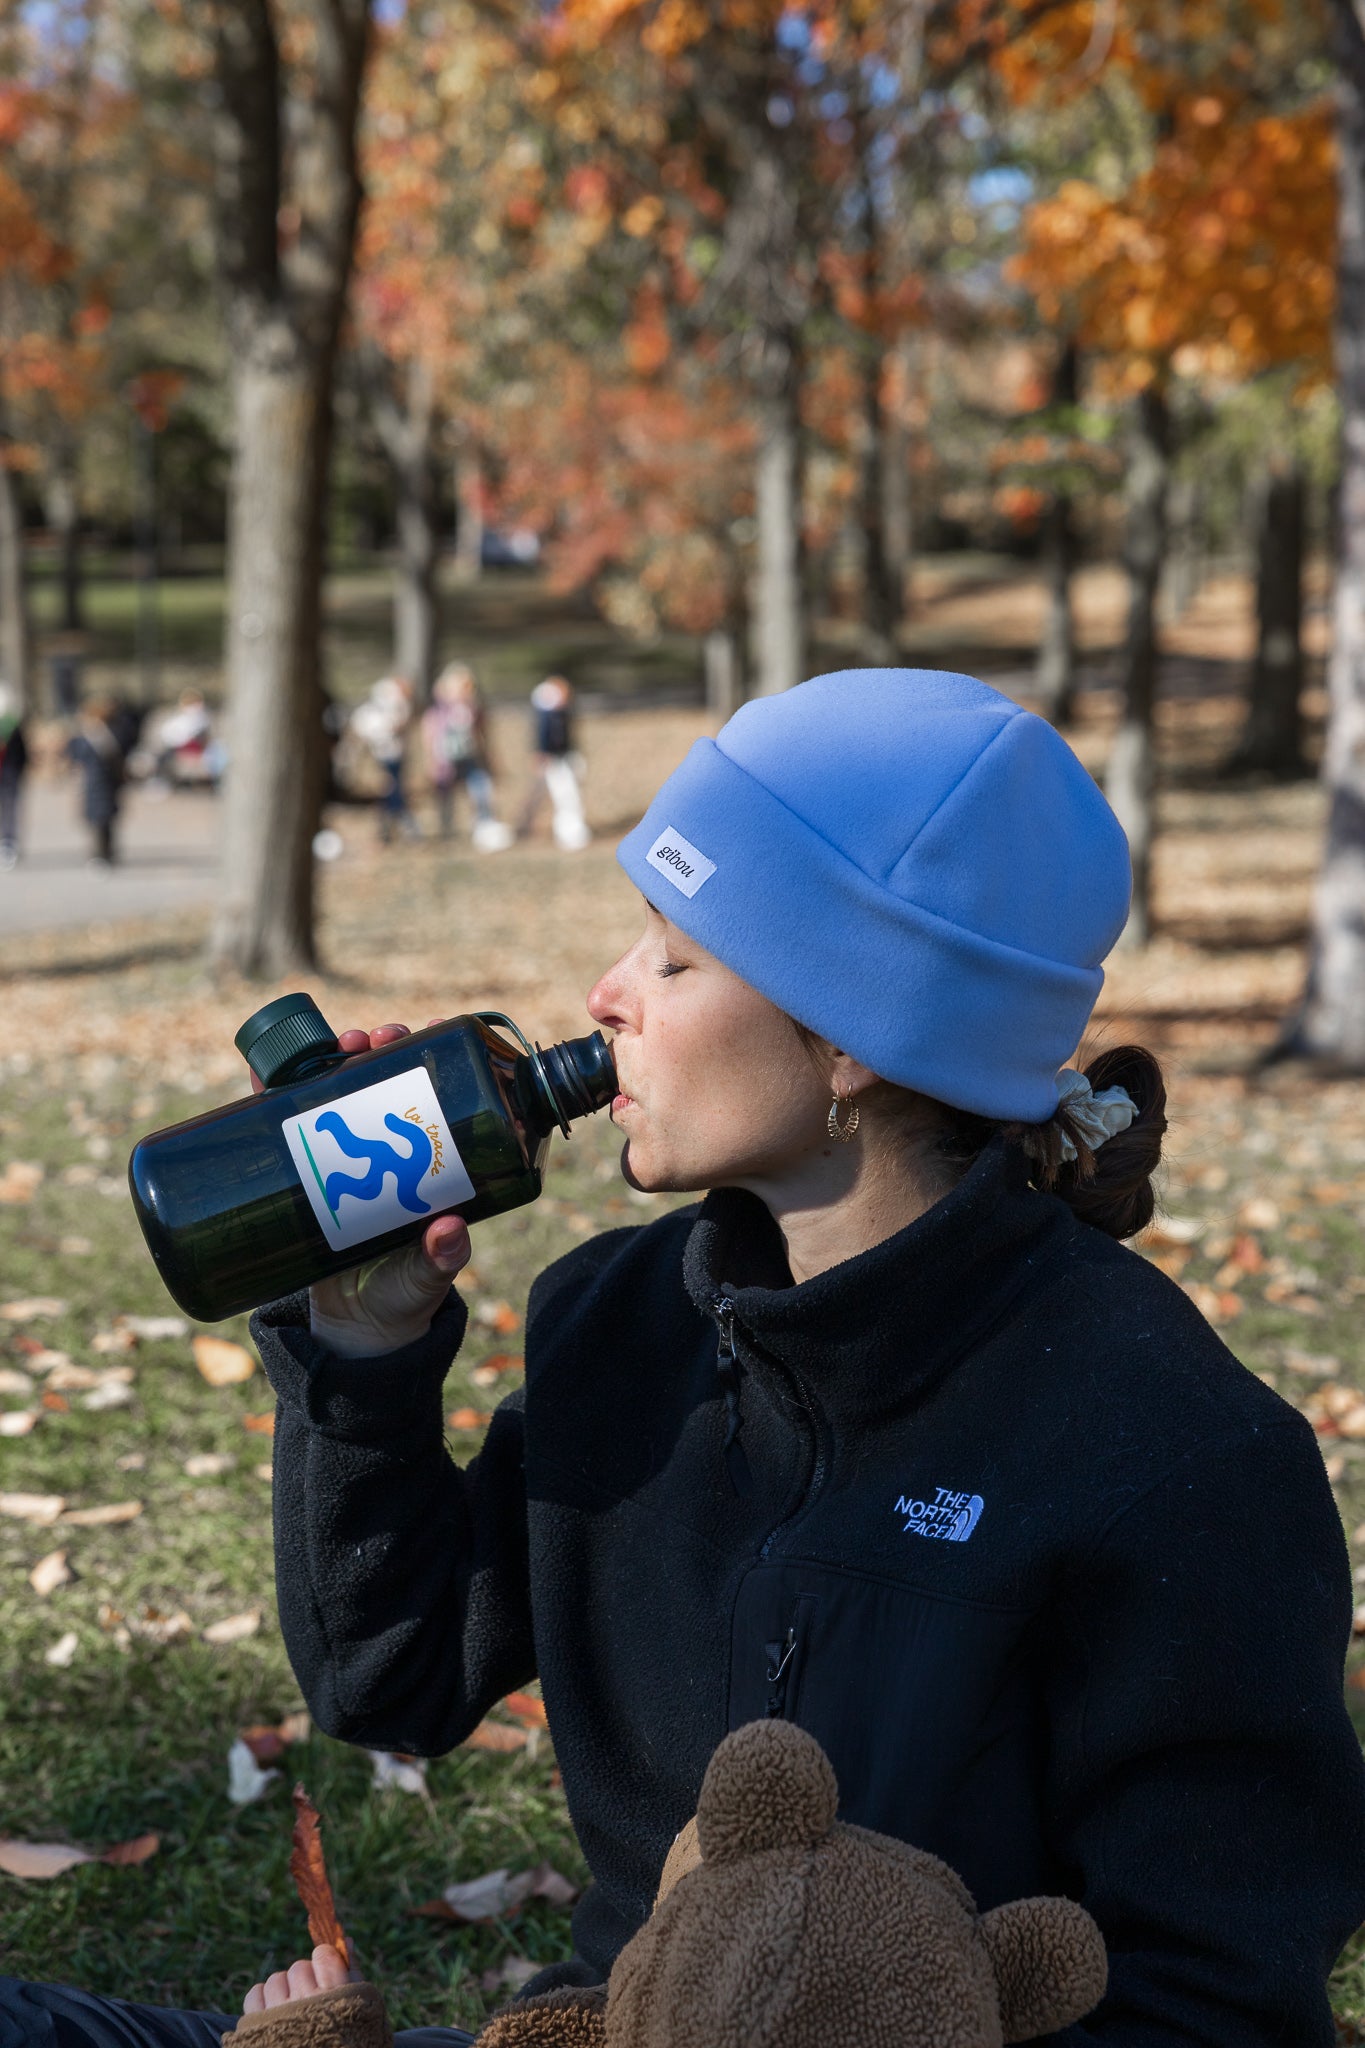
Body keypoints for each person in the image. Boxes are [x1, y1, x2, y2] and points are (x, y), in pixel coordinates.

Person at [6, 667, 1365, 2047]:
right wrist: (363, 1353)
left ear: (849, 1035)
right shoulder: (620, 1320)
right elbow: (389, 1682)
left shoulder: (1171, 1449)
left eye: (673, 954)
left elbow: (1217, 2002)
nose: (605, 995)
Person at [421, 663, 512, 851]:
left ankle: (484, 825)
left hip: (470, 759)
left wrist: (490, 758)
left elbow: (482, 736)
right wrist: (431, 760)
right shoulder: (438, 711)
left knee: (481, 790)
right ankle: (447, 830)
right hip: (445, 762)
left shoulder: (473, 710)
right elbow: (429, 735)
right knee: (445, 797)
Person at [517, 674, 589, 849]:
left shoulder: (562, 713)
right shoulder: (547, 715)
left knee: (565, 795)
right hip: (554, 760)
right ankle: (568, 833)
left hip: (563, 758)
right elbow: (544, 738)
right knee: (563, 795)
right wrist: (542, 755)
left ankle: (570, 832)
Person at [351, 675, 418, 844]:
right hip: (381, 759)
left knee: (395, 793)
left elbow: (401, 724)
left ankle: (396, 828)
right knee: (390, 793)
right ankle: (392, 828)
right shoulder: (372, 712)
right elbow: (363, 730)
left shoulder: (401, 707)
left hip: (396, 757)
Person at [64, 696, 128, 866]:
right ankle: (100, 852)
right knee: (97, 821)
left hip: (103, 783)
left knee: (104, 821)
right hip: (95, 784)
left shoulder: (109, 736)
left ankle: (104, 852)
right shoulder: (87, 737)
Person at [0, 680, 28, 869]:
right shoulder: (12, 725)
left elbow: (21, 752)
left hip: (9, 776)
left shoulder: (11, 726)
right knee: (9, 811)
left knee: (9, 811)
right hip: (10, 775)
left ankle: (8, 844)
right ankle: (8, 843)